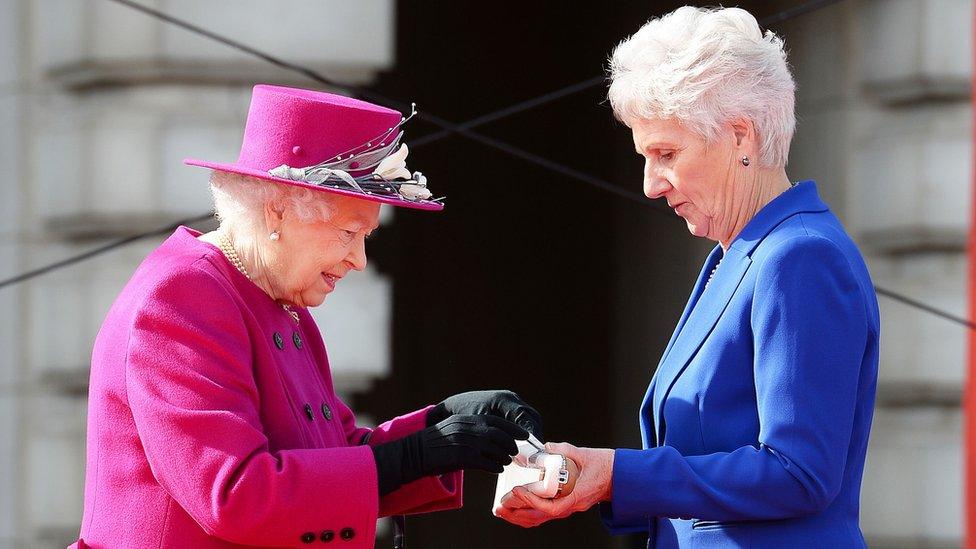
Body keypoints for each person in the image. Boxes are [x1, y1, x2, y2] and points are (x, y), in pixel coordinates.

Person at [72, 84, 541, 549]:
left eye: (367, 236)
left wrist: (437, 427)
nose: (359, 259)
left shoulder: (277, 300)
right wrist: (412, 456)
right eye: (348, 232)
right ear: (277, 212)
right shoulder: (182, 297)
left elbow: (328, 456)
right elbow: (235, 492)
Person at [496, 7, 880, 548]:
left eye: (666, 153)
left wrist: (617, 474)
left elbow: (800, 474)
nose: (651, 184)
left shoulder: (800, 257)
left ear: (740, 137)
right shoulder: (738, 256)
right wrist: (590, 482)